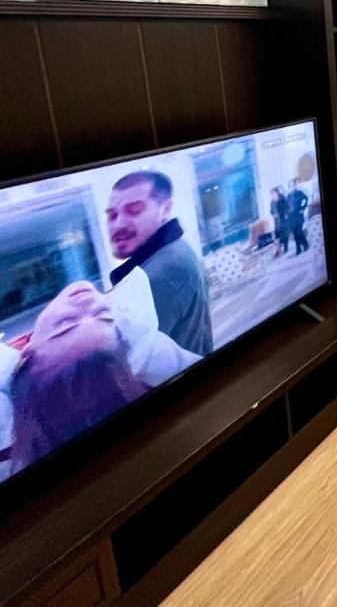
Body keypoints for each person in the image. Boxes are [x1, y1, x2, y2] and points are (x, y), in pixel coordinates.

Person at [8, 281, 200, 473]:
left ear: (27, 353)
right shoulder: (143, 352)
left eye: (65, 324)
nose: (87, 302)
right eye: (105, 315)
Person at [106, 171, 213, 356]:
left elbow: (124, 363)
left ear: (165, 209)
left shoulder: (158, 274)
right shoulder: (174, 249)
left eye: (135, 210)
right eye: (112, 215)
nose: (118, 224)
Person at [286, 179, 309, 256]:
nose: (291, 188)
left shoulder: (299, 193)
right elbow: (287, 207)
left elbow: (306, 199)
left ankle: (305, 244)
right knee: (295, 233)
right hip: (291, 218)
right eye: (289, 186)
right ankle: (298, 248)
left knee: (299, 231)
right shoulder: (288, 196)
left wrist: (303, 208)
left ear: (294, 186)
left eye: (292, 186)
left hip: (298, 216)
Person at [270, 186, 291, 257]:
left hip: (283, 219)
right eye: (271, 193)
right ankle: (278, 250)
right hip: (276, 221)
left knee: (284, 234)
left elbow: (286, 207)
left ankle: (286, 248)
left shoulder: (282, 198)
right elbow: (271, 211)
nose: (272, 194)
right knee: (277, 236)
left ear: (277, 192)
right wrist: (273, 214)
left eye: (273, 192)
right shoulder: (272, 202)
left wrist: (285, 214)